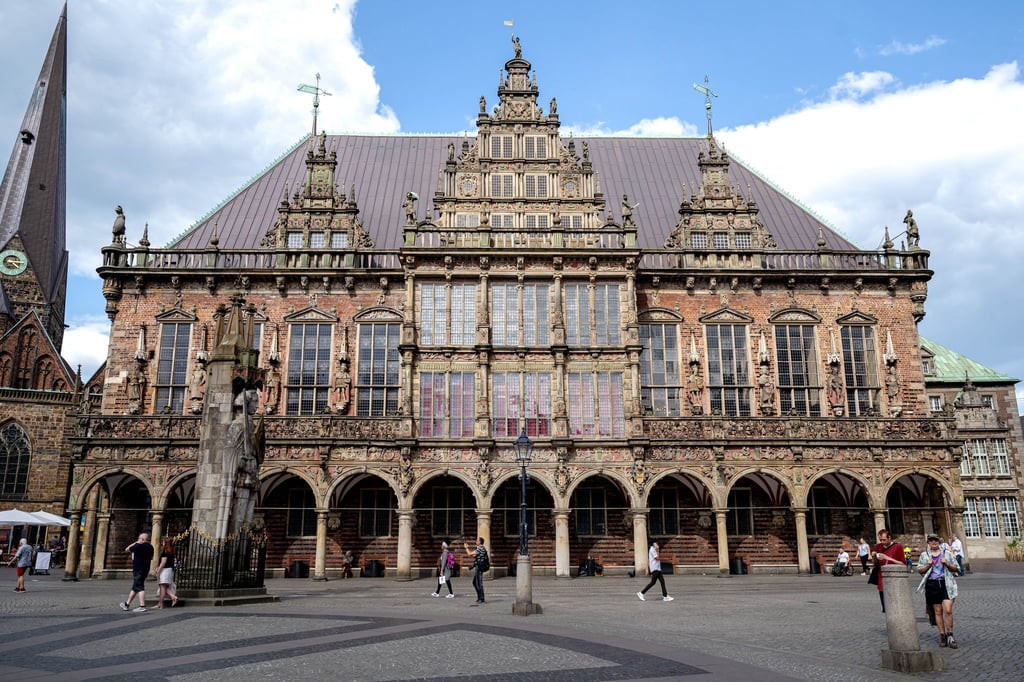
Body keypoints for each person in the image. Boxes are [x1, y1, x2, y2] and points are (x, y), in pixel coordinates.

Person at [917, 534, 959, 648]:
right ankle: (942, 635)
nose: (934, 542)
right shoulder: (924, 555)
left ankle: (950, 635)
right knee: (938, 611)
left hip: (946, 583)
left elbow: (957, 568)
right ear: (928, 542)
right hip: (932, 584)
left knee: (948, 610)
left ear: (939, 541)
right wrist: (928, 564)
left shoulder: (946, 553)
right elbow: (920, 570)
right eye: (931, 540)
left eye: (935, 540)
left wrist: (947, 563)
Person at [871, 529, 905, 613]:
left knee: (896, 605)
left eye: (884, 540)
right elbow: (875, 563)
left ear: (889, 538)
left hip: (894, 578)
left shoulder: (898, 547)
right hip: (881, 578)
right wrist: (873, 556)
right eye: (880, 540)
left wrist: (887, 558)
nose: (882, 542)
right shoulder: (878, 547)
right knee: (886, 607)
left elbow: (903, 564)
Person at [120, 532, 154, 612]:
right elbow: (152, 557)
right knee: (135, 587)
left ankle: (142, 605)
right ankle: (127, 604)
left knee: (139, 586)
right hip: (145, 569)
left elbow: (127, 549)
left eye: (139, 538)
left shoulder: (137, 546)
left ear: (142, 539)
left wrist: (136, 543)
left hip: (138, 569)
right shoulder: (150, 547)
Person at [153, 537, 178, 608]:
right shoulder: (172, 551)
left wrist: (158, 570)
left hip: (165, 571)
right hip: (169, 570)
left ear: (166, 543)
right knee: (165, 587)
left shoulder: (165, 552)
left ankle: (161, 604)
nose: (162, 543)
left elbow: (163, 562)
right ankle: (162, 602)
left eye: (163, 542)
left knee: (162, 587)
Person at [464, 537, 488, 604]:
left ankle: (481, 598)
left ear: (480, 542)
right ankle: (479, 597)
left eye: (477, 540)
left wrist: (466, 548)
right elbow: (473, 555)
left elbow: (469, 554)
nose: (476, 541)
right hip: (478, 567)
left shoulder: (480, 548)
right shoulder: (479, 549)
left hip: (479, 568)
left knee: (479, 583)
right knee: (475, 582)